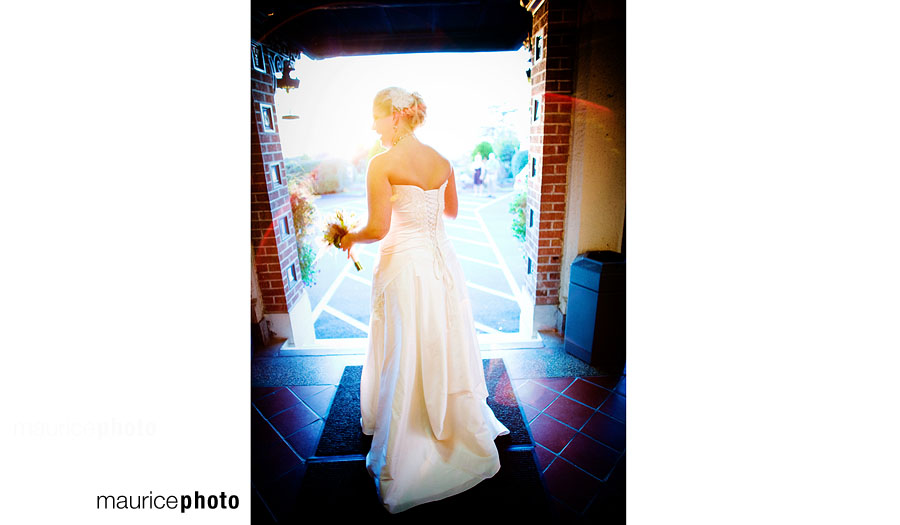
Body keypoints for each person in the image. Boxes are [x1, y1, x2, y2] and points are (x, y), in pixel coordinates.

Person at [339, 87, 509, 514]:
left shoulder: (382, 164)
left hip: (405, 264)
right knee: (442, 338)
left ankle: (410, 436)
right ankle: (452, 421)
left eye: (376, 118)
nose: (373, 126)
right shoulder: (443, 161)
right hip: (443, 262)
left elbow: (378, 229)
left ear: (395, 117)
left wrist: (345, 236)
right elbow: (450, 213)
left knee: (407, 341)